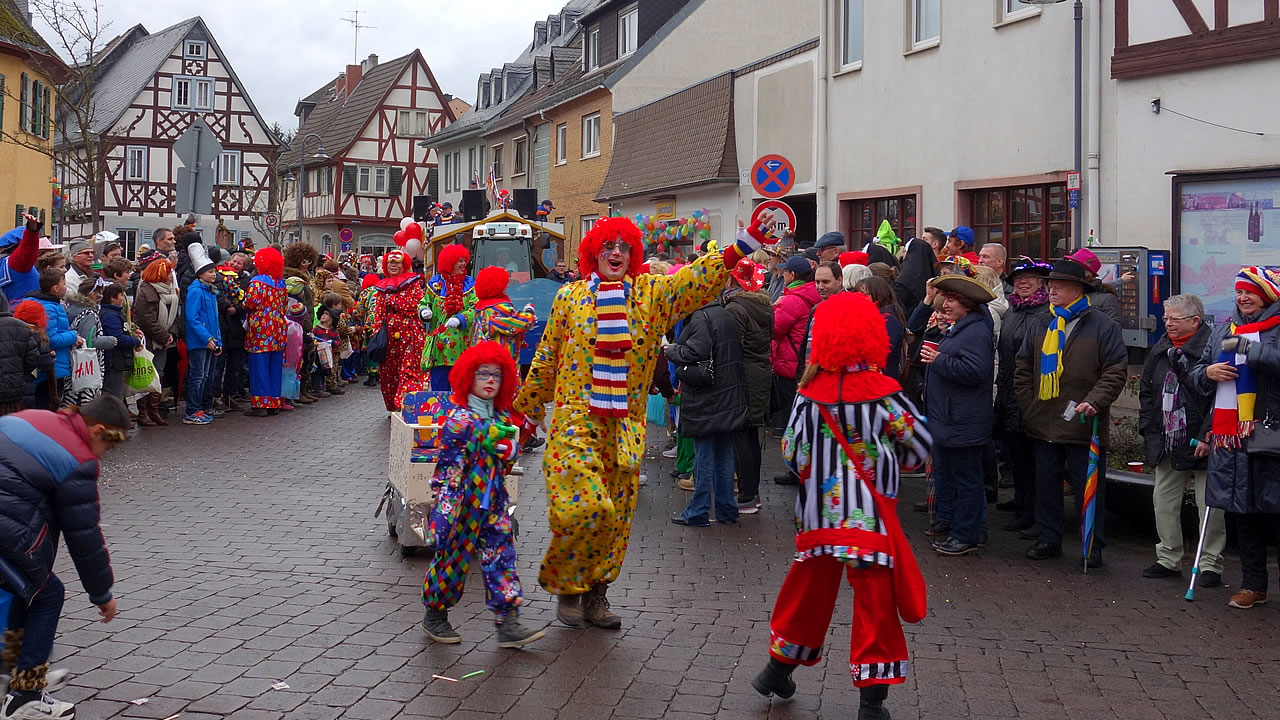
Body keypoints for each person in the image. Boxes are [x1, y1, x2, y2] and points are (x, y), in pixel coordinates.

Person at [513, 215, 776, 629]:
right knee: (585, 504)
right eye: (607, 246)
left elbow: (695, 280)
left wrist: (746, 242)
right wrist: (526, 409)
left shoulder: (650, 294)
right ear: (592, 252)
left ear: (633, 254)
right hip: (576, 418)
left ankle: (596, 594)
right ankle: (568, 580)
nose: (615, 252)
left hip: (625, 426)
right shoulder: (571, 298)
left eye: (624, 247)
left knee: (615, 518)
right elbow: (547, 356)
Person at [751, 292, 931, 720]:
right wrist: (885, 459)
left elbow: (793, 452)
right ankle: (872, 702)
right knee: (875, 605)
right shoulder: (884, 393)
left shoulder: (809, 392)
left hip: (818, 519)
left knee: (806, 596)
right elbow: (918, 447)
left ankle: (777, 670)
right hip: (869, 522)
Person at [0, 395, 126, 720]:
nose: (105, 455)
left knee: (25, 590)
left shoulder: (31, 418)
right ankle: (24, 696)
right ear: (99, 430)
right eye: (109, 446)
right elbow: (84, 536)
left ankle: (12, 672)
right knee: (46, 593)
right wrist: (102, 594)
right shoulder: (78, 458)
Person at [420, 341, 547, 648]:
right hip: (462, 505)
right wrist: (444, 509)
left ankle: (508, 622)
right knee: (452, 559)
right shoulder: (459, 421)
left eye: (496, 375)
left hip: (494, 504)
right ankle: (435, 614)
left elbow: (504, 461)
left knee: (502, 557)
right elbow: (447, 468)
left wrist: (510, 451)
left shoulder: (501, 419)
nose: (490, 380)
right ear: (468, 377)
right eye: (482, 373)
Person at [1014, 257, 1127, 567]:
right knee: (1046, 486)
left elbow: (1115, 369)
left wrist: (1095, 401)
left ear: (1078, 290)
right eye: (1051, 286)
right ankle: (1048, 539)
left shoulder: (1102, 325)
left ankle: (1093, 544)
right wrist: (1029, 401)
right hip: (1043, 420)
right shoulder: (1042, 321)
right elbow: (1023, 365)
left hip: (1083, 422)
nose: (1052, 292)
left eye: (1059, 287)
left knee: (1088, 488)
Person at [1189, 267, 1280, 609]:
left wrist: (1250, 350)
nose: (1243, 298)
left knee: (1276, 510)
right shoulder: (1224, 330)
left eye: (1251, 293)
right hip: (1232, 437)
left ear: (1268, 295)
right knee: (1243, 512)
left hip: (1271, 432)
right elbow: (1199, 373)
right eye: (1240, 292)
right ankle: (1253, 585)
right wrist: (1208, 373)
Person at [1139, 294, 1224, 584]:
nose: (1168, 323)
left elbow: (1220, 399)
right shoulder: (1160, 349)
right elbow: (1147, 392)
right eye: (1166, 318)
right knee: (1163, 501)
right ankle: (1168, 558)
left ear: (1195, 321)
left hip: (1203, 441)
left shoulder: (1214, 349)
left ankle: (1210, 564)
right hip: (1167, 439)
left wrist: (1206, 435)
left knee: (1209, 505)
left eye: (1175, 318)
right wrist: (1148, 428)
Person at [920, 274, 996, 556]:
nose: (946, 305)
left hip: (963, 421)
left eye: (952, 300)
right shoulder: (959, 329)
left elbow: (976, 372)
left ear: (967, 304)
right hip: (950, 420)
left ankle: (967, 534)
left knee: (967, 481)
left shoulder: (975, 331)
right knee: (957, 478)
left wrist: (940, 360)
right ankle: (962, 530)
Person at [667, 295, 749, 527]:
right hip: (729, 395)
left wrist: (673, 351)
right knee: (723, 454)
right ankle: (726, 509)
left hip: (708, 397)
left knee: (703, 454)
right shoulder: (726, 315)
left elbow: (695, 352)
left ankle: (698, 511)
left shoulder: (702, 318)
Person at [994, 258, 1053, 532]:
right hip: (1009, 392)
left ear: (1041, 283)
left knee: (1033, 458)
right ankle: (1020, 499)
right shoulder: (1013, 312)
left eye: (1029, 278)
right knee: (1016, 453)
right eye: (1018, 279)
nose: (1023, 283)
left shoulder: (1047, 314)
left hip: (1032, 396)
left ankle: (1033, 511)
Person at [723, 258, 772, 514]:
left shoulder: (735, 309)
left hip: (743, 377)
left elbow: (733, 348)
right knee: (751, 436)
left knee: (741, 436)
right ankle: (752, 493)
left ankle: (746, 495)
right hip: (760, 374)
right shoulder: (764, 306)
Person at [770, 256, 820, 438]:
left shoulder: (792, 299)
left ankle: (796, 455)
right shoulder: (813, 293)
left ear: (792, 274)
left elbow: (774, 329)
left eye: (784, 272)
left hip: (790, 362)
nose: (782, 275)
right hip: (805, 359)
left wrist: (773, 310)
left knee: (793, 415)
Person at [373, 250, 427, 411]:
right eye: (390, 263)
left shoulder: (412, 283)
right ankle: (392, 406)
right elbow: (379, 311)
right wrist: (376, 332)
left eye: (397, 263)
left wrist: (395, 301)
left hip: (410, 334)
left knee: (409, 369)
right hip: (388, 338)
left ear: (404, 265)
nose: (393, 266)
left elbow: (416, 306)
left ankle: (406, 404)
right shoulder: (381, 288)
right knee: (388, 373)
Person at [419, 244, 476, 391]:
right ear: (450, 263)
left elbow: (476, 308)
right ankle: (441, 415)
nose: (464, 264)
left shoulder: (470, 285)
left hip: (462, 346)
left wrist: (461, 319)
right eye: (460, 261)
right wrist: (424, 311)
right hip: (439, 349)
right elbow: (423, 303)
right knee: (439, 392)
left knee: (462, 390)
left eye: (464, 260)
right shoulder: (435, 285)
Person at [132, 259, 180, 426]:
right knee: (147, 376)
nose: (171, 277)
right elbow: (147, 320)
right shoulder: (146, 291)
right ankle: (144, 412)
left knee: (158, 374)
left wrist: (170, 335)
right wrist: (164, 337)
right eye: (168, 273)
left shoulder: (170, 291)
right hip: (150, 341)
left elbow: (174, 316)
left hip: (163, 340)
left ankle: (154, 410)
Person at [243, 247, 287, 417]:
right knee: (274, 366)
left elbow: (250, 303)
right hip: (278, 329)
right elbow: (284, 306)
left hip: (261, 329)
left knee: (259, 365)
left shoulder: (257, 282)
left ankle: (260, 403)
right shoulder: (280, 283)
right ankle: (274, 402)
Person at [28, 270, 82, 410]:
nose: (66, 286)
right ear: (55, 288)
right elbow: (50, 339)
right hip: (52, 367)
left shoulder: (49, 304)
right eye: (64, 284)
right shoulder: (49, 307)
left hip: (53, 365)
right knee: (47, 405)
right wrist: (73, 336)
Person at [183, 245, 222, 425]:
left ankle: (199, 408)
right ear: (200, 273)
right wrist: (207, 338)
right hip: (200, 342)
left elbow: (214, 319)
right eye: (210, 271)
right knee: (198, 376)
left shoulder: (210, 291)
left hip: (210, 341)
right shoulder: (196, 290)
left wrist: (217, 340)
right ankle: (192, 410)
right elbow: (192, 318)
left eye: (214, 271)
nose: (214, 274)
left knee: (205, 376)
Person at [854, 276, 906, 382]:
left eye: (864, 294)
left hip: (882, 383)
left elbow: (880, 354)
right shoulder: (866, 317)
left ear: (879, 295)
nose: (859, 298)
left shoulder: (889, 320)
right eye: (857, 294)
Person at [0, 293, 44, 415]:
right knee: (11, 428)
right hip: (15, 391)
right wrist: (18, 373)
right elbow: (33, 358)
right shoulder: (22, 327)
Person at [99, 283, 140, 401]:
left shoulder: (111, 313)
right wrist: (135, 341)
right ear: (113, 297)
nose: (123, 298)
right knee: (113, 395)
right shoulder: (110, 316)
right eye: (121, 295)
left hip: (114, 359)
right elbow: (118, 338)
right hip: (113, 360)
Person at [1062, 248, 1122, 325]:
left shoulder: (1107, 300)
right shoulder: (1064, 295)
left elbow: (1113, 331)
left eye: (1072, 266)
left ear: (1086, 272)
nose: (1068, 270)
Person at [0, 215, 41, 301]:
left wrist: (32, 230)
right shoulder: (16, 263)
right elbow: (27, 249)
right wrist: (31, 231)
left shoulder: (9, 263)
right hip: (23, 310)